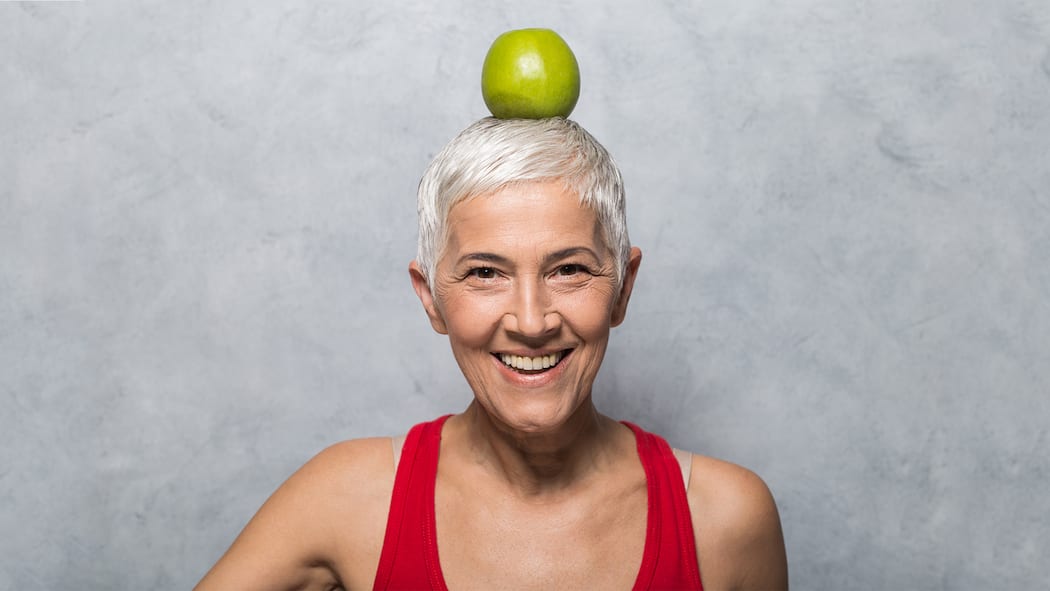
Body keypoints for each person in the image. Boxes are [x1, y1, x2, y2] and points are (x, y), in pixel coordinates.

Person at [195, 117, 788, 590]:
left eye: (570, 270)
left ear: (623, 288)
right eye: (485, 273)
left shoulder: (725, 517)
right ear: (431, 298)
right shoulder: (345, 500)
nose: (531, 321)